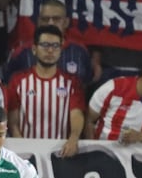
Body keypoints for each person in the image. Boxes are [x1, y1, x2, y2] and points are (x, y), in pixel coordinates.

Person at [5, 25, 84, 155]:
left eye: (55, 46)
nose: (50, 50)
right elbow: (13, 121)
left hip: (60, 153)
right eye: (45, 45)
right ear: (34, 49)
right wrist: (20, 145)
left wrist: (74, 138)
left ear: (60, 50)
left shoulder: (72, 83)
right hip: (27, 152)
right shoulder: (18, 81)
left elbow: (76, 114)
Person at [85, 52, 142, 143]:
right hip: (106, 147)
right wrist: (93, 146)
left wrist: (138, 136)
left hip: (139, 152)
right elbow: (89, 120)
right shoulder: (114, 87)